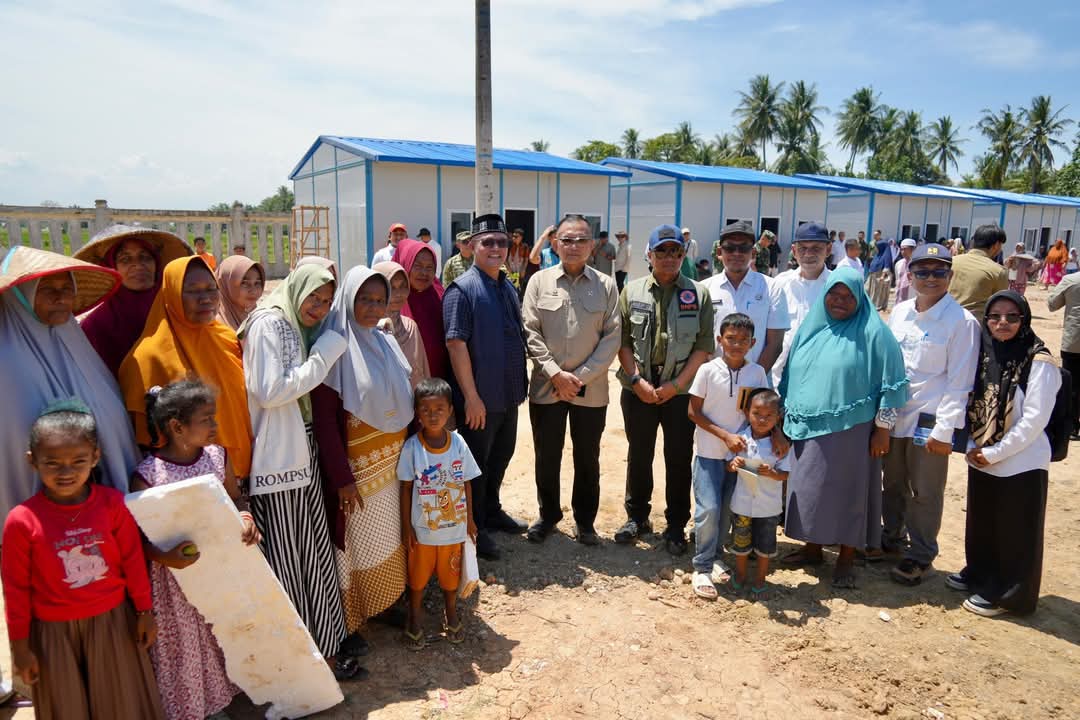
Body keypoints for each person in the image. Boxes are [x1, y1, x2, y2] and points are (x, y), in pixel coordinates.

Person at [238, 262, 363, 678]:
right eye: (314, 297)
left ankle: (325, 648)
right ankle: (300, 663)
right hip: (277, 459)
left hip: (299, 450)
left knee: (311, 552)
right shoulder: (270, 324)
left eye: (326, 301)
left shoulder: (293, 326)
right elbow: (269, 391)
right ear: (296, 290)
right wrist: (323, 356)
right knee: (290, 561)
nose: (319, 307)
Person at [2, 402, 165, 720]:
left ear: (95, 457)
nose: (66, 472)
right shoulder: (21, 520)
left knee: (120, 705)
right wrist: (20, 647)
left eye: (78, 461)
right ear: (32, 461)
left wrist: (145, 612)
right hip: (52, 634)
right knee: (67, 708)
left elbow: (133, 561)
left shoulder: (113, 505)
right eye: (53, 463)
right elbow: (15, 588)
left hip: (112, 623)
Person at [132, 381, 261, 719]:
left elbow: (236, 499)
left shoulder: (218, 457)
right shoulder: (148, 476)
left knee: (221, 635)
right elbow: (136, 541)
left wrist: (246, 519)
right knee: (185, 645)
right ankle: (191, 709)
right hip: (174, 585)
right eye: (206, 419)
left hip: (218, 571)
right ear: (177, 427)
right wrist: (164, 557)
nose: (215, 426)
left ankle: (222, 700)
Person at [779, 268, 908, 588]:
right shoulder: (812, 327)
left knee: (849, 491)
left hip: (853, 428)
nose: (840, 301)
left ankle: (846, 559)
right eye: (834, 294)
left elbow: (892, 382)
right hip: (806, 424)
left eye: (849, 296)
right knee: (809, 488)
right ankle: (812, 549)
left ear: (860, 298)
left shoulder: (874, 332)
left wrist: (883, 428)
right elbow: (791, 371)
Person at [0, 246, 140, 523]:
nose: (61, 297)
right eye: (47, 289)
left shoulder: (77, 345)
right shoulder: (6, 360)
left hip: (105, 508)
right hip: (33, 521)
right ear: (20, 297)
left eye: (67, 288)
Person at [313, 266, 414, 641]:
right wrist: (342, 480)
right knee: (358, 546)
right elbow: (325, 424)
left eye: (379, 300)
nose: (373, 308)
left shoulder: (384, 343)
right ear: (347, 300)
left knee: (389, 538)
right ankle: (354, 614)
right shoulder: (333, 348)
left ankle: (386, 602)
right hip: (358, 477)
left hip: (391, 469)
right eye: (364, 300)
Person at [954, 291, 1061, 617]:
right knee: (983, 524)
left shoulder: (1039, 361)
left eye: (1012, 317)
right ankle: (980, 575)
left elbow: (1035, 420)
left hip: (1021, 462)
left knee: (1016, 532)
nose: (1002, 322)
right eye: (995, 316)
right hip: (983, 456)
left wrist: (996, 452)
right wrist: (975, 447)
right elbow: (974, 403)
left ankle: (1010, 595)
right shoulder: (986, 356)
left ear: (1024, 320)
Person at [879, 243, 979, 585]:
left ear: (950, 275)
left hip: (930, 419)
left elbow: (960, 382)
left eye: (939, 272)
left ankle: (920, 554)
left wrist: (945, 430)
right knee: (892, 482)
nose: (931, 278)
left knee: (925, 490)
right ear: (910, 275)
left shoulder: (962, 322)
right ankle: (891, 537)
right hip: (896, 415)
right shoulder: (900, 312)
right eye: (922, 271)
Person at [613, 224, 714, 554]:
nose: (669, 257)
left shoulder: (698, 294)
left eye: (675, 251)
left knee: (678, 457)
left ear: (683, 255)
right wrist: (636, 381)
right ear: (649, 255)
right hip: (638, 389)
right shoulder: (631, 291)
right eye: (662, 251)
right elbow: (623, 342)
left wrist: (676, 385)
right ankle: (637, 517)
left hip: (679, 393)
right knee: (639, 455)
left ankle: (675, 525)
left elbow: (703, 346)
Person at [522, 215, 620, 545]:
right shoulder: (539, 282)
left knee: (587, 457)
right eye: (566, 240)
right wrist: (555, 373)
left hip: (590, 390)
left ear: (592, 245)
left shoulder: (606, 285)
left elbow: (612, 337)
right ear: (555, 244)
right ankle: (548, 515)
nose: (574, 246)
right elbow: (530, 331)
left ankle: (585, 522)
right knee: (547, 455)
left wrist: (576, 379)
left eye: (581, 240)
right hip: (547, 387)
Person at [118, 256, 254, 478]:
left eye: (211, 289)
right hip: (191, 479)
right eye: (192, 291)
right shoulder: (146, 358)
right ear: (171, 294)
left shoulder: (226, 338)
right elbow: (149, 439)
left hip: (245, 470)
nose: (206, 299)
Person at [443, 214, 529, 560]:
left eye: (501, 242)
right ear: (472, 246)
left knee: (500, 457)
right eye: (487, 242)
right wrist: (471, 398)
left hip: (508, 394)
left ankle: (492, 511)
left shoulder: (506, 285)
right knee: (476, 466)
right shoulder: (462, 290)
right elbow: (455, 344)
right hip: (481, 399)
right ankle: (475, 528)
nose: (496, 248)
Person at [687, 313, 768, 598]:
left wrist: (775, 436)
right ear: (719, 340)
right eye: (731, 339)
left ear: (753, 343)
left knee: (730, 509)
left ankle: (717, 556)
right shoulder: (707, 371)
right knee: (708, 508)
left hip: (742, 457)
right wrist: (724, 436)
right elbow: (693, 412)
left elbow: (763, 410)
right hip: (709, 452)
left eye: (744, 340)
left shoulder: (757, 373)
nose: (736, 345)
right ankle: (702, 566)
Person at [397, 378, 479, 649]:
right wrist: (407, 526)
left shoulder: (459, 444)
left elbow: (467, 482)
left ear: (450, 410)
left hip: (453, 530)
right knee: (417, 579)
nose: (433, 415)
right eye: (425, 410)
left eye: (439, 409)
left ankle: (451, 613)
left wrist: (470, 520)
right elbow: (406, 488)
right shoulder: (412, 447)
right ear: (417, 413)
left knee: (450, 577)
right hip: (422, 531)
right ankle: (414, 618)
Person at [77, 224, 193, 377]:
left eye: (145, 257)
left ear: (157, 264)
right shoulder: (96, 325)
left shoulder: (177, 309)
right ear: (113, 268)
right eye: (125, 259)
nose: (138, 265)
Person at [703, 220, 790, 374]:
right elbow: (699, 343)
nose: (736, 253)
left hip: (755, 382)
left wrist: (751, 380)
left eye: (744, 248)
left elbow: (775, 344)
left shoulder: (772, 288)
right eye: (730, 248)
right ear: (719, 252)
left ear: (753, 253)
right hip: (713, 380)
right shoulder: (704, 289)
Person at [727, 389, 790, 597]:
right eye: (756, 414)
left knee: (765, 545)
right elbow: (729, 465)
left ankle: (761, 578)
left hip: (768, 507)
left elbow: (785, 475)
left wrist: (771, 473)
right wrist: (734, 464)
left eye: (768, 416)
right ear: (747, 413)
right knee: (741, 542)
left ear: (777, 417)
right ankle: (740, 575)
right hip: (742, 504)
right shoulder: (740, 439)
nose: (762, 420)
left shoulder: (780, 446)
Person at [770, 222, 832, 388]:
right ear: (794, 250)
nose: (808, 254)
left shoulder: (838, 287)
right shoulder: (780, 284)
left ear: (828, 250)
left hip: (822, 377)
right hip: (780, 378)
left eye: (816, 248)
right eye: (802, 248)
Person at [394, 238, 450, 381]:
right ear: (405, 264)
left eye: (429, 267)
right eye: (417, 266)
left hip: (439, 384)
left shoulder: (440, 296)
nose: (424, 272)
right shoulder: (391, 300)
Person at [375, 261, 431, 388]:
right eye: (391, 287)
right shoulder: (369, 331)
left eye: (403, 286)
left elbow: (422, 373)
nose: (398, 294)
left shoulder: (410, 327)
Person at [1048, 268, 1080, 440]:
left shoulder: (1071, 280)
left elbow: (1052, 304)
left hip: (1074, 340)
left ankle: (1073, 427)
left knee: (1072, 386)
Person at [949, 224, 1009, 315]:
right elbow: (1000, 303)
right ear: (996, 245)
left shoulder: (951, 261)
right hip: (975, 321)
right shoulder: (998, 271)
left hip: (945, 317)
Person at [215, 254, 265, 330]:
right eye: (244, 283)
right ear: (226, 285)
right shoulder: (215, 329)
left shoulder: (260, 321)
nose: (253, 291)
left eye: (257, 283)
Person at [865, 236, 894, 311]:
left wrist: (882, 276)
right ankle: (871, 304)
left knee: (878, 293)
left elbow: (887, 267)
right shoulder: (877, 255)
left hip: (879, 277)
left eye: (877, 247)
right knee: (870, 291)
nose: (876, 248)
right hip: (873, 277)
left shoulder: (886, 256)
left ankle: (877, 306)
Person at [894, 239, 917, 304]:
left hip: (913, 296)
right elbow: (897, 279)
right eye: (901, 249)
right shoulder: (898, 263)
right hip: (900, 296)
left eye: (905, 249)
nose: (903, 252)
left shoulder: (919, 264)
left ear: (913, 249)